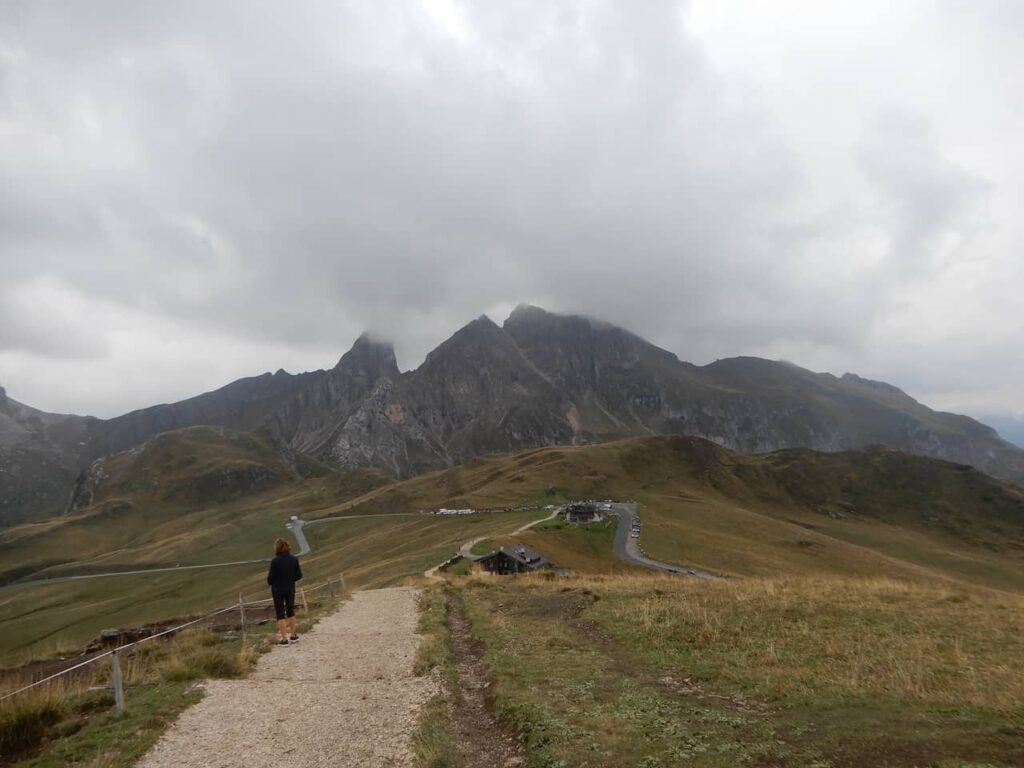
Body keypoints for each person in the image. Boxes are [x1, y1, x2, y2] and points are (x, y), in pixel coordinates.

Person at [267, 537, 303, 645]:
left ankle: (284, 639)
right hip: (290, 588)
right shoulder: (294, 559)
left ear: (277, 548)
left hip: (278, 589)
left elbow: (270, 579)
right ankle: (293, 635)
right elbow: (299, 575)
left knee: (280, 614)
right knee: (291, 611)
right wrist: (290, 580)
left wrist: (276, 582)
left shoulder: (275, 561)